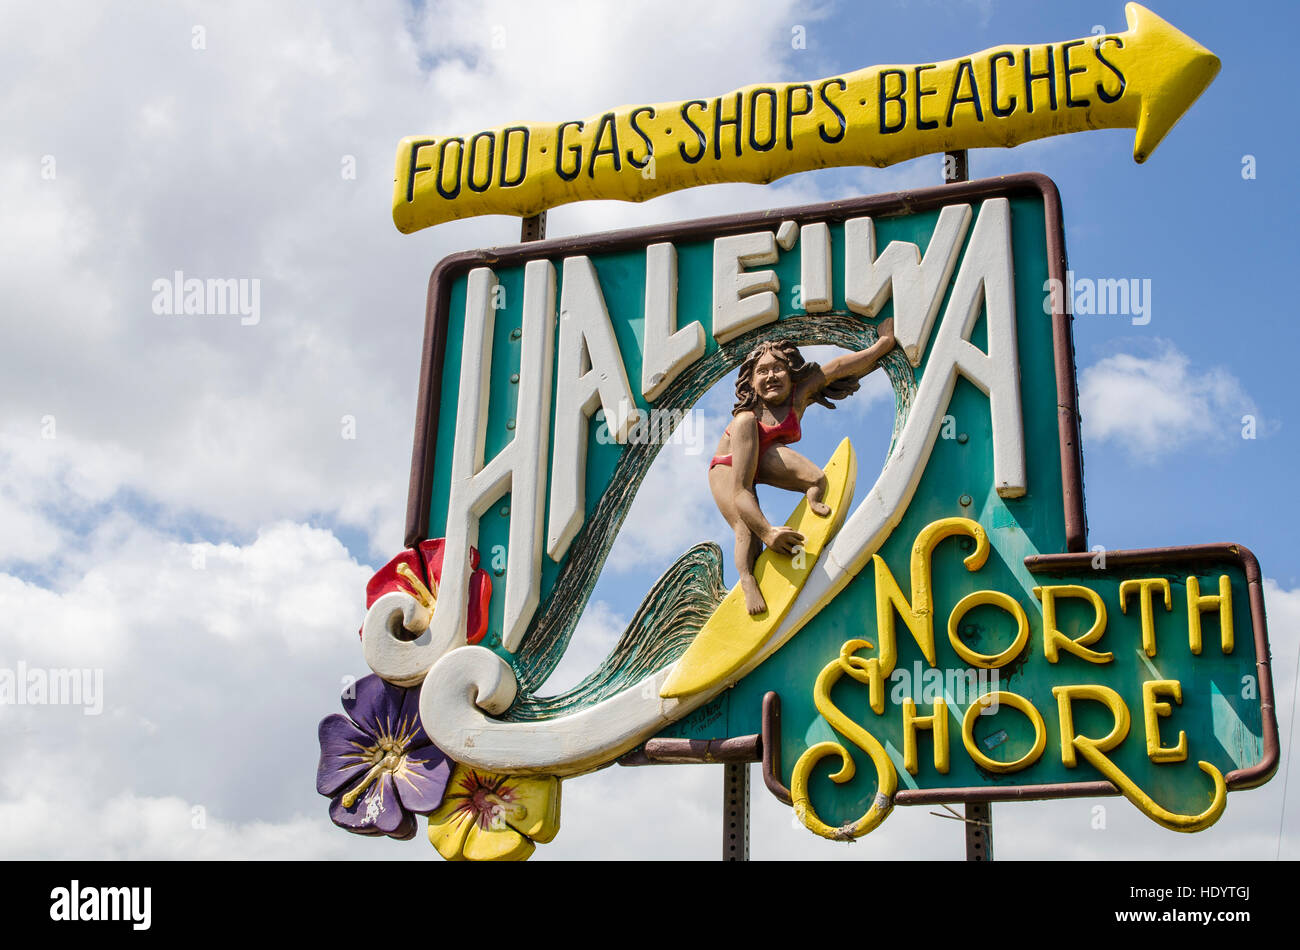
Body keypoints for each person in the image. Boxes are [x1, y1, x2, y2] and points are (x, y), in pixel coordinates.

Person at [708, 318, 896, 615]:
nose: (771, 376)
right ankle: (747, 581)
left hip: (764, 451)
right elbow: (742, 491)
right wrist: (768, 532)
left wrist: (882, 347)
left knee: (817, 479)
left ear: (791, 372)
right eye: (762, 371)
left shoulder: (801, 392)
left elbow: (840, 367)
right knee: (747, 527)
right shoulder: (745, 420)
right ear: (751, 382)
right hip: (731, 467)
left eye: (778, 369)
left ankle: (812, 497)